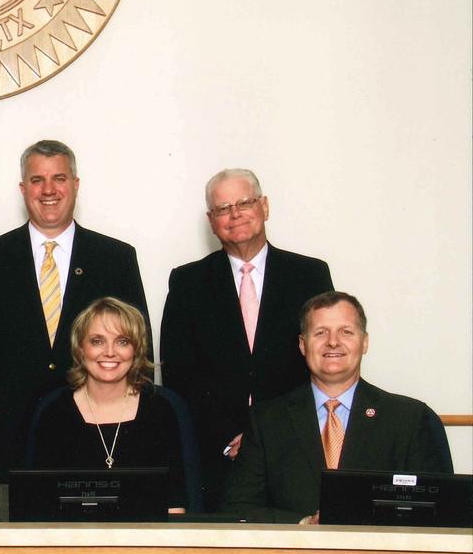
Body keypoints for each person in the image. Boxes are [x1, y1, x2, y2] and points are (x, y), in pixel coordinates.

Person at [0, 140, 151, 484]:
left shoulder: (115, 259)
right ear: (22, 188)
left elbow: (138, 355)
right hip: (4, 450)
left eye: (59, 178)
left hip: (95, 442)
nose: (48, 190)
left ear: (75, 184)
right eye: (36, 180)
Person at [160, 168, 333, 511]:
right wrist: (230, 438)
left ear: (264, 207)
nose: (235, 214)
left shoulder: (310, 275)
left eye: (244, 202)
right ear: (211, 221)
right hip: (218, 456)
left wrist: (268, 438)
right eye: (223, 208)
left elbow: (322, 363)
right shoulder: (188, 282)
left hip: (295, 450)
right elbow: (180, 373)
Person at [222, 292, 450, 523]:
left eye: (346, 332)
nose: (333, 342)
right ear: (302, 344)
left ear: (365, 342)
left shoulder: (408, 418)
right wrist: (304, 523)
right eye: (320, 333)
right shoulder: (266, 420)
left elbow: (438, 510)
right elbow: (238, 508)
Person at [26, 298, 186, 511]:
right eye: (97, 341)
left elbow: (174, 508)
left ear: (136, 350)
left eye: (122, 341)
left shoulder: (160, 410)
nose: (110, 352)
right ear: (80, 348)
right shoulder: (54, 412)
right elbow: (38, 507)